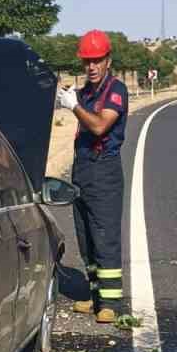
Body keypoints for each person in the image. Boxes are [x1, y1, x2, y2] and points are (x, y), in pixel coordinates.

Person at [55, 30, 129, 323]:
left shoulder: (116, 90)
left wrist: (74, 106)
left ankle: (110, 302)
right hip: (82, 169)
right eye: (87, 61)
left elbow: (99, 126)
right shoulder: (85, 92)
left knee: (104, 236)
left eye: (97, 60)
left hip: (105, 170)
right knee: (85, 235)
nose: (92, 66)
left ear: (108, 60)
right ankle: (95, 295)